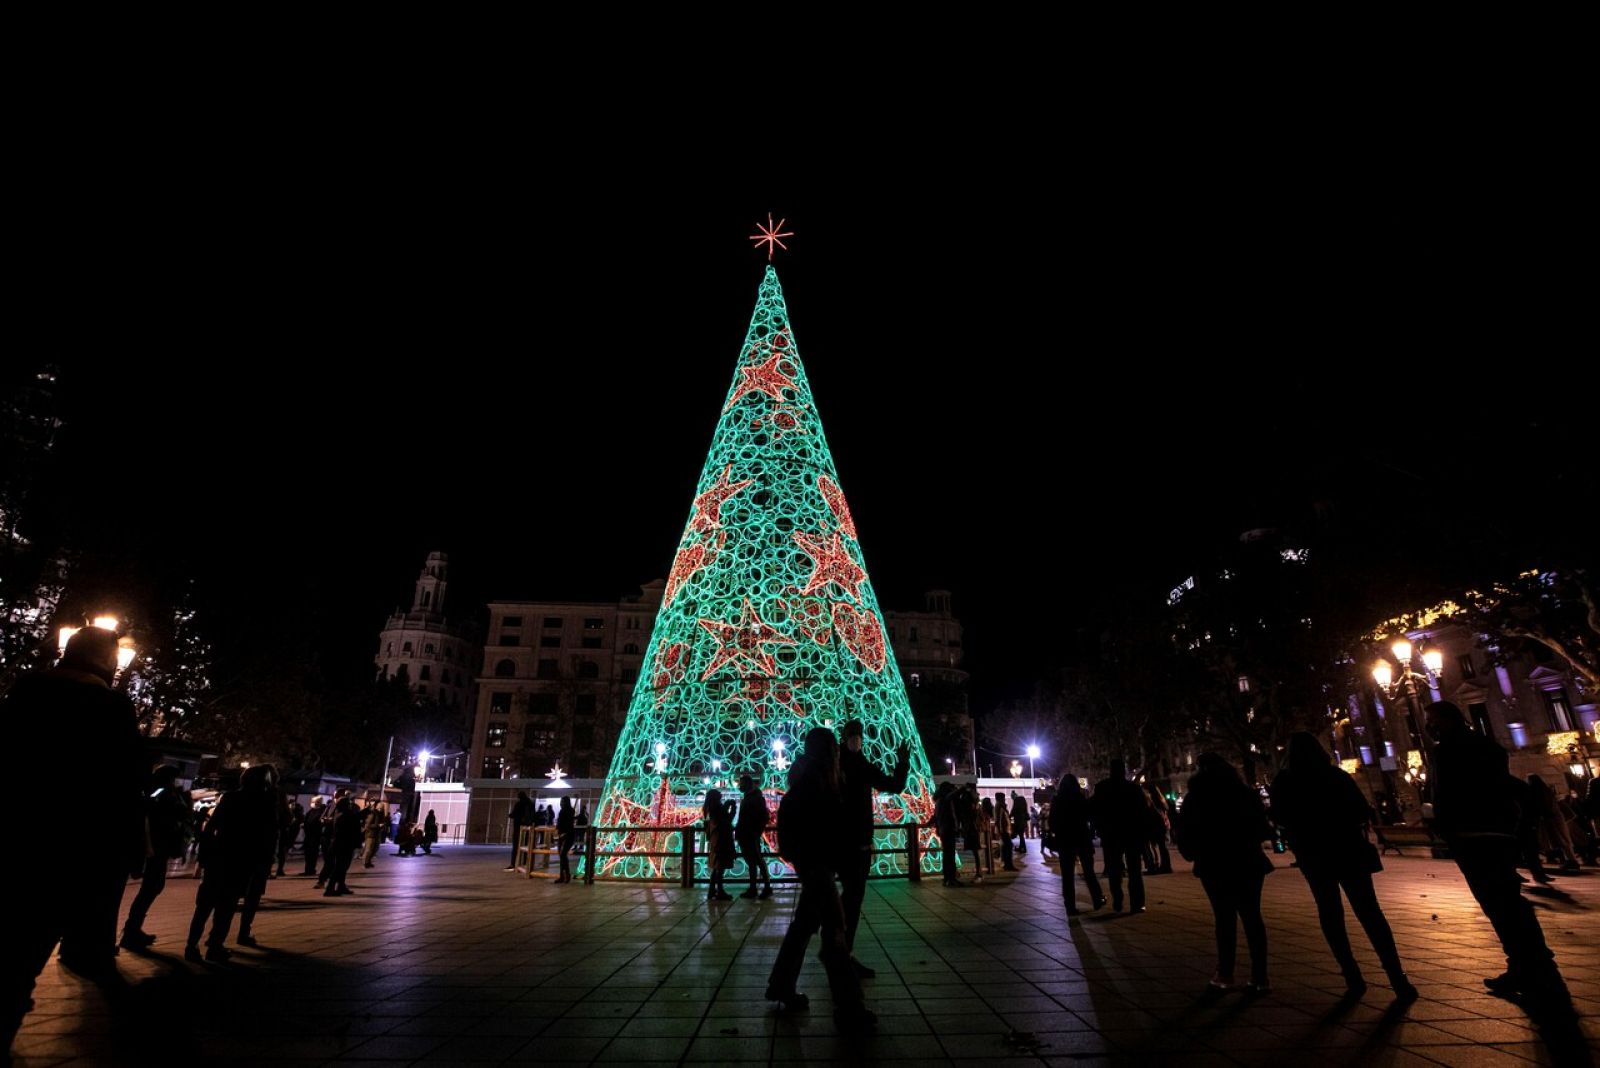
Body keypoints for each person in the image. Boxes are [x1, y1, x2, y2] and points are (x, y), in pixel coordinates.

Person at [2, 627, 146, 1049]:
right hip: (68, 849)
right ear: (107, 660)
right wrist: (130, 846)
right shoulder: (108, 704)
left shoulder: (24, 691)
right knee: (26, 949)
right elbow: (122, 782)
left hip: (13, 835)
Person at [1426, 701, 1571, 1011]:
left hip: (1469, 835)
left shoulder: (1445, 751)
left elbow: (1444, 795)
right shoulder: (1488, 746)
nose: (1429, 727)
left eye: (1432, 721)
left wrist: (1441, 824)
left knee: (1495, 901)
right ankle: (1536, 960)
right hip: (1500, 832)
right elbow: (1504, 785)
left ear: (1447, 721)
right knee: (1510, 898)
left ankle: (1524, 964)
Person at [1270, 732, 1416, 1001]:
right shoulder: (1336, 776)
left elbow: (1279, 817)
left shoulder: (1285, 782)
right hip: (1348, 850)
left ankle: (1352, 976)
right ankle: (1397, 978)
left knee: (1330, 913)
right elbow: (1362, 811)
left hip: (1314, 855)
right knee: (1370, 913)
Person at [767, 727, 874, 1034]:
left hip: (813, 865)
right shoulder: (819, 782)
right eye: (836, 748)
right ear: (829, 750)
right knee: (835, 935)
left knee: (803, 928)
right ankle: (849, 1007)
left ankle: (781, 985)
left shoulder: (807, 777)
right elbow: (827, 826)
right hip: (819, 867)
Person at [1176, 753, 1272, 994]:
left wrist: (1194, 852)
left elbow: (1185, 833)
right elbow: (1263, 829)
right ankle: (1260, 976)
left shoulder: (1196, 798)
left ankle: (1225, 973)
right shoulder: (1246, 795)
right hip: (1248, 861)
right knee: (1252, 917)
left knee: (1224, 918)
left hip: (1214, 863)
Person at [186, 764, 279, 961]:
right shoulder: (264, 803)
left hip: (219, 856)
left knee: (204, 905)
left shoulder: (229, 798)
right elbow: (268, 834)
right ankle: (215, 944)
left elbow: (211, 827)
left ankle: (191, 945)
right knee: (226, 906)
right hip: (242, 860)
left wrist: (204, 855)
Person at [837, 719, 909, 974]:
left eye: (859, 735)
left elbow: (894, 785)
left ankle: (842, 950)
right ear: (844, 737)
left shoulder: (862, 765)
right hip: (844, 845)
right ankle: (839, 951)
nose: (857, 739)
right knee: (849, 900)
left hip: (860, 844)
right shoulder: (835, 765)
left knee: (852, 900)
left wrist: (902, 763)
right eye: (852, 734)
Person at [122, 765, 194, 950]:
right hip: (156, 846)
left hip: (157, 845)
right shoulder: (162, 794)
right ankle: (132, 930)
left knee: (153, 887)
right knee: (151, 887)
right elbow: (172, 813)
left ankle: (133, 929)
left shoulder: (160, 792)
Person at [1090, 759, 1149, 914]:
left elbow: (1094, 810)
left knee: (1114, 870)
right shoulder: (1133, 789)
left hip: (1111, 834)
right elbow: (1143, 811)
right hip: (1131, 833)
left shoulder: (1102, 788)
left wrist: (1099, 827)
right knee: (1134, 869)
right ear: (1123, 771)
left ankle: (1118, 900)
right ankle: (1137, 903)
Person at [1050, 774, 1104, 916]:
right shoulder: (1079, 799)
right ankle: (1097, 898)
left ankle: (1070, 906)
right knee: (1088, 871)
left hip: (1065, 840)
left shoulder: (1057, 800)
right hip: (1081, 838)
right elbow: (1088, 815)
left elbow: (1052, 822)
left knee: (1067, 875)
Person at [736, 775, 772, 899]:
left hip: (750, 834)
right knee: (752, 861)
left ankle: (765, 887)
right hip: (746, 834)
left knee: (757, 860)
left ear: (747, 784)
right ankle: (754, 888)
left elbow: (764, 817)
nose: (739, 786)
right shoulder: (749, 797)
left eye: (741, 783)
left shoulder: (755, 798)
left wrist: (756, 831)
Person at [702, 789, 736, 901]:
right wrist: (729, 808)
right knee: (720, 867)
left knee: (717, 866)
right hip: (722, 840)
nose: (721, 795)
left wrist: (729, 808)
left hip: (716, 840)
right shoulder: (716, 808)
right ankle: (719, 891)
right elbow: (725, 821)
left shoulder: (711, 808)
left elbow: (724, 820)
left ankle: (712, 890)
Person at [933, 782, 961, 887]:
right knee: (949, 855)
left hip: (944, 830)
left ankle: (947, 878)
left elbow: (935, 816)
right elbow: (954, 794)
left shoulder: (939, 801)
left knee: (947, 855)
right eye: (950, 788)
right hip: (948, 829)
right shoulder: (945, 800)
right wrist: (962, 788)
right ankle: (951, 879)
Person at [1143, 783, 1173, 875]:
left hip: (1156, 826)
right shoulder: (1161, 799)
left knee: (1158, 846)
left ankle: (1164, 866)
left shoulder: (1152, 800)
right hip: (1162, 825)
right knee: (1163, 847)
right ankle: (1166, 866)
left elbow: (1150, 813)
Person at [506, 790, 536, 871]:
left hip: (518, 828)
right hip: (528, 828)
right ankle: (525, 863)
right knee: (526, 846)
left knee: (516, 847)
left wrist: (510, 815)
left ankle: (513, 864)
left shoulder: (519, 804)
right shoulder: (531, 804)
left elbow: (514, 814)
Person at [300, 796, 326, 875]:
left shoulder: (321, 812)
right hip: (308, 835)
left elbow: (318, 823)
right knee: (308, 854)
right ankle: (308, 869)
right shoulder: (311, 811)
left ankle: (311, 870)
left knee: (312, 854)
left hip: (315, 836)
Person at [992, 793, 1016, 871]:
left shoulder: (1000, 806)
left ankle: (1008, 864)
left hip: (1005, 830)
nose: (1004, 799)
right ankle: (1008, 865)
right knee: (1008, 846)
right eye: (1003, 797)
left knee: (1007, 846)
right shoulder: (1000, 806)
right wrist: (1000, 830)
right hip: (1003, 830)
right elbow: (999, 819)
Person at [555, 797, 576, 883]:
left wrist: (561, 831)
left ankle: (565, 875)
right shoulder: (570, 811)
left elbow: (562, 823)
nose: (560, 803)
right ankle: (564, 875)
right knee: (562, 855)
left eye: (562, 801)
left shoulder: (564, 811)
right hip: (566, 835)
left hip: (566, 835)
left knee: (562, 855)